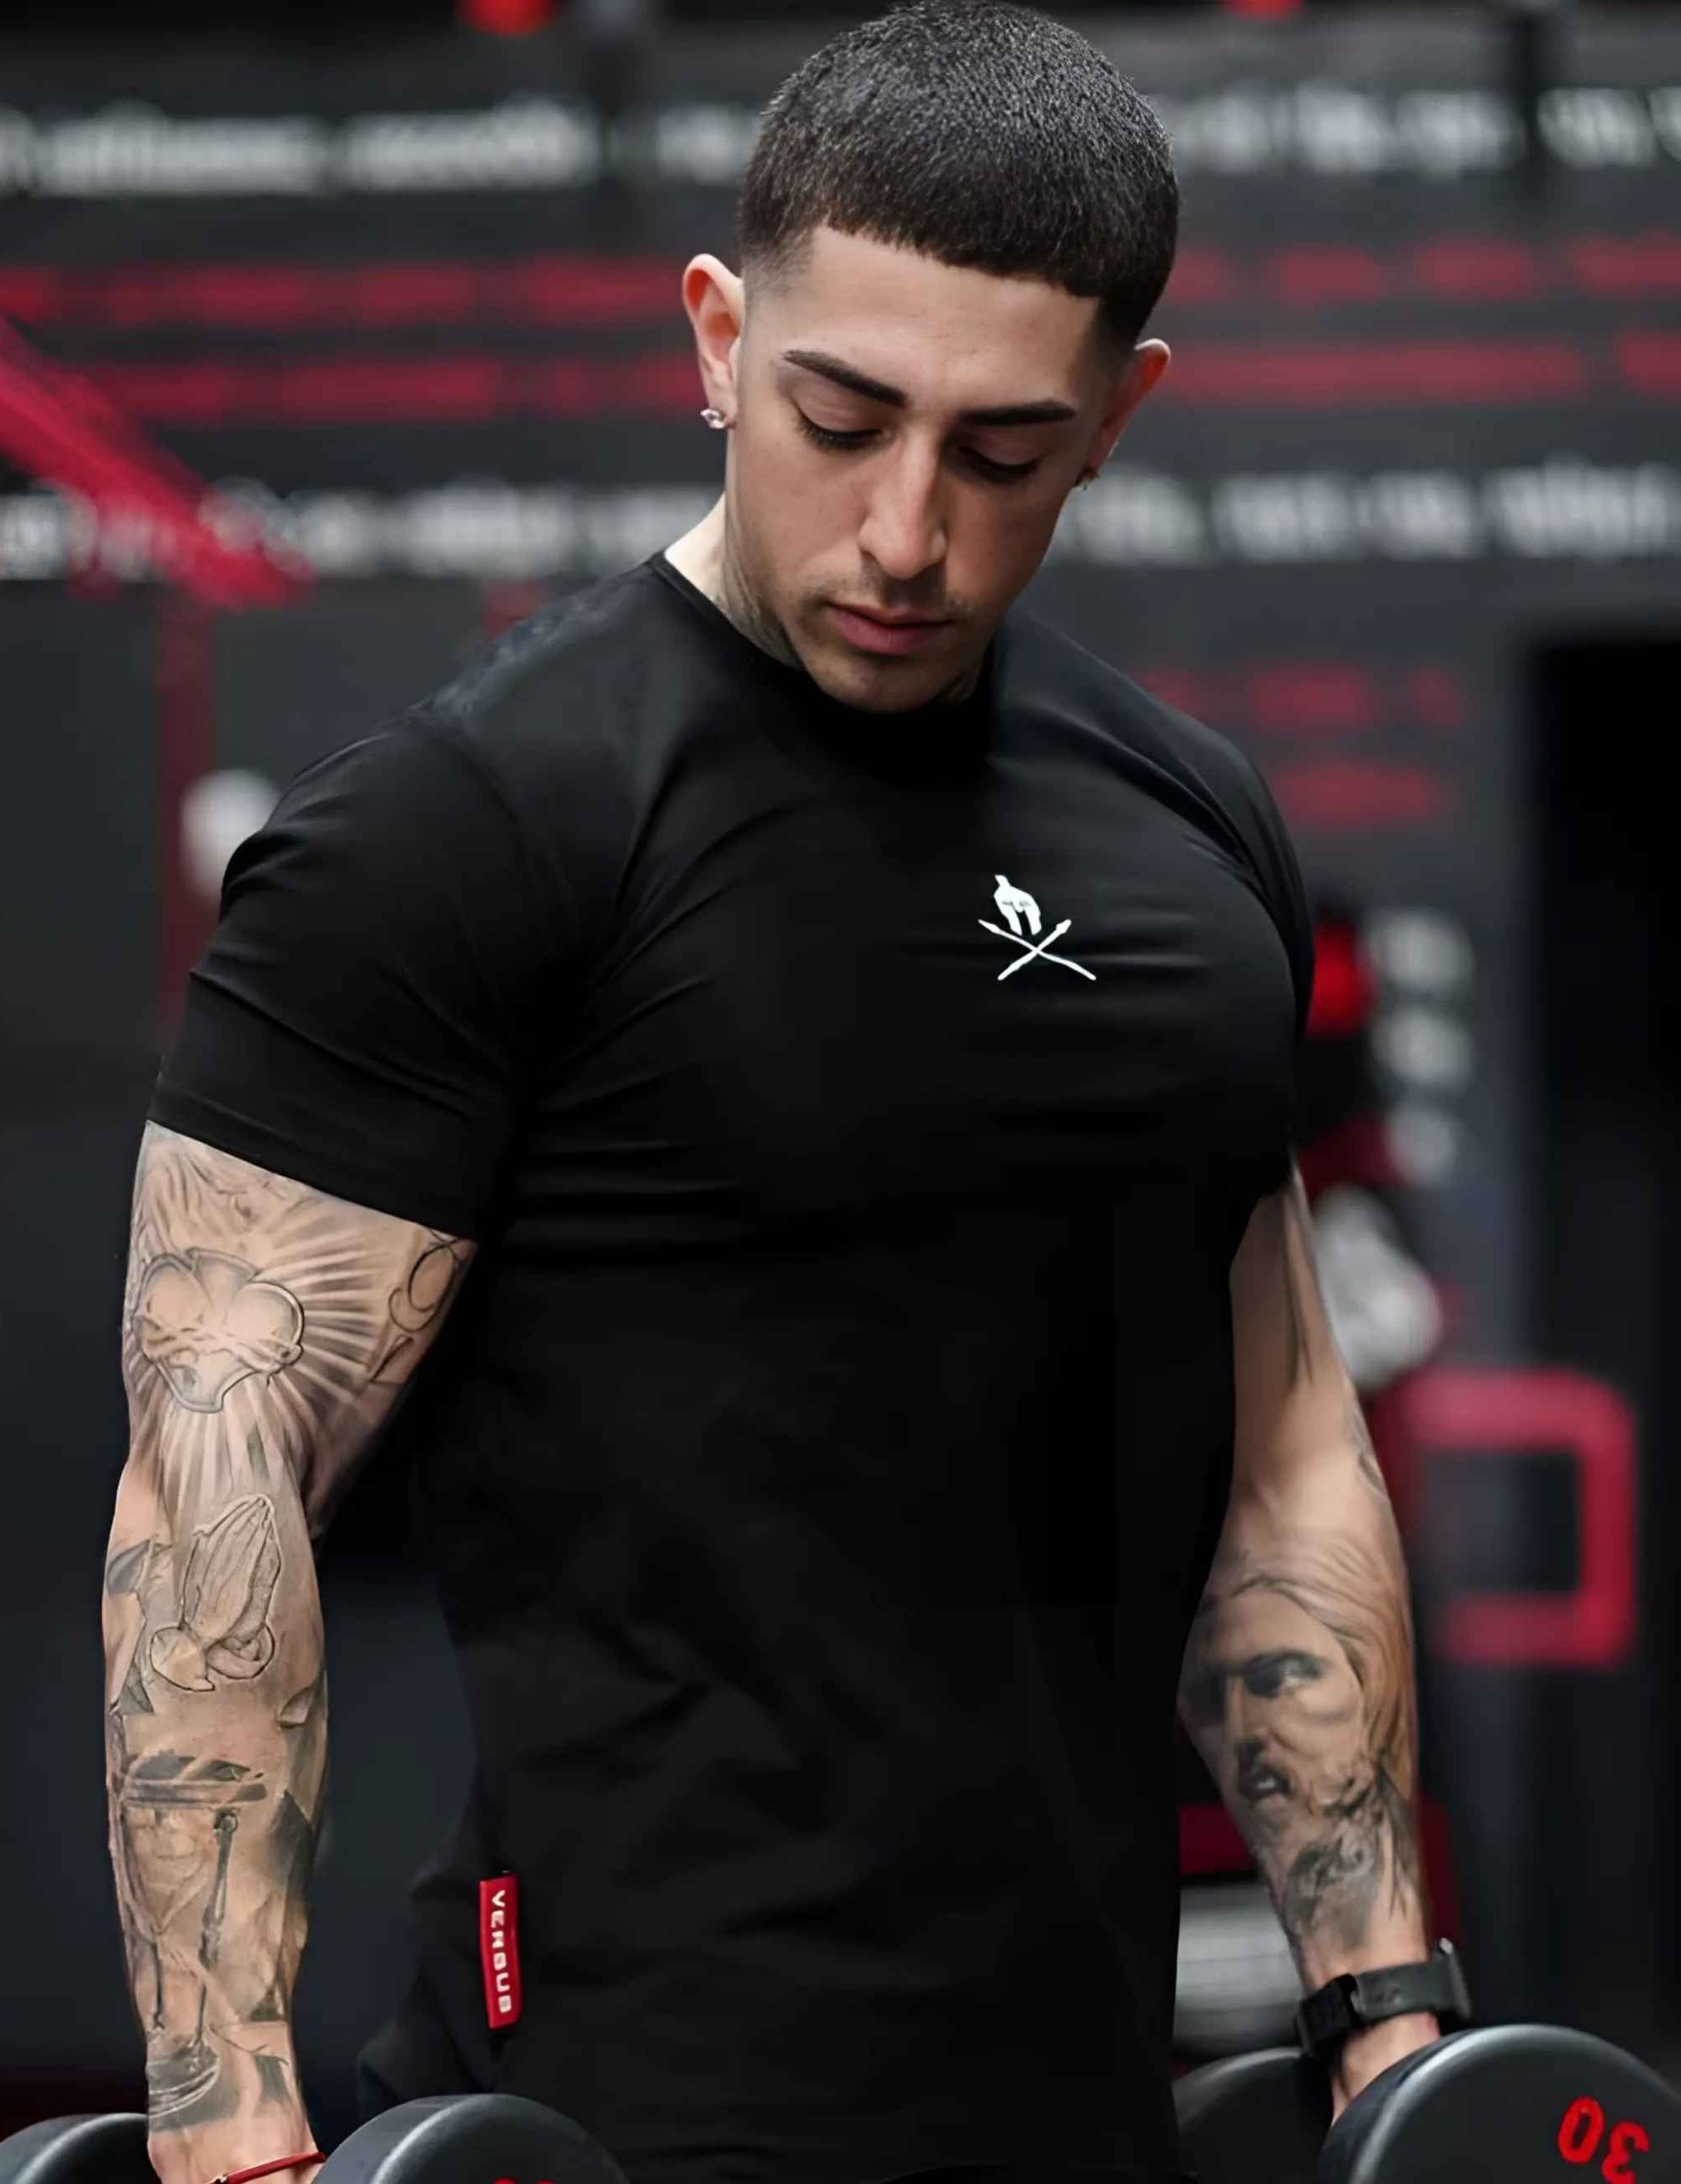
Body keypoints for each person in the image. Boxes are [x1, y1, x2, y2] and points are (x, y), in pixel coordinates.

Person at [103, 6, 1442, 2182]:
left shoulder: (1191, 836)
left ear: (1119, 416)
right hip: (611, 2101)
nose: (903, 529)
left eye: (1000, 452)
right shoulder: (473, 824)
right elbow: (214, 1454)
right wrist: (221, 2103)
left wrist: (1380, 2010)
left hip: (1079, 2093)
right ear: (718, 338)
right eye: (842, 416)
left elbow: (1281, 1441)